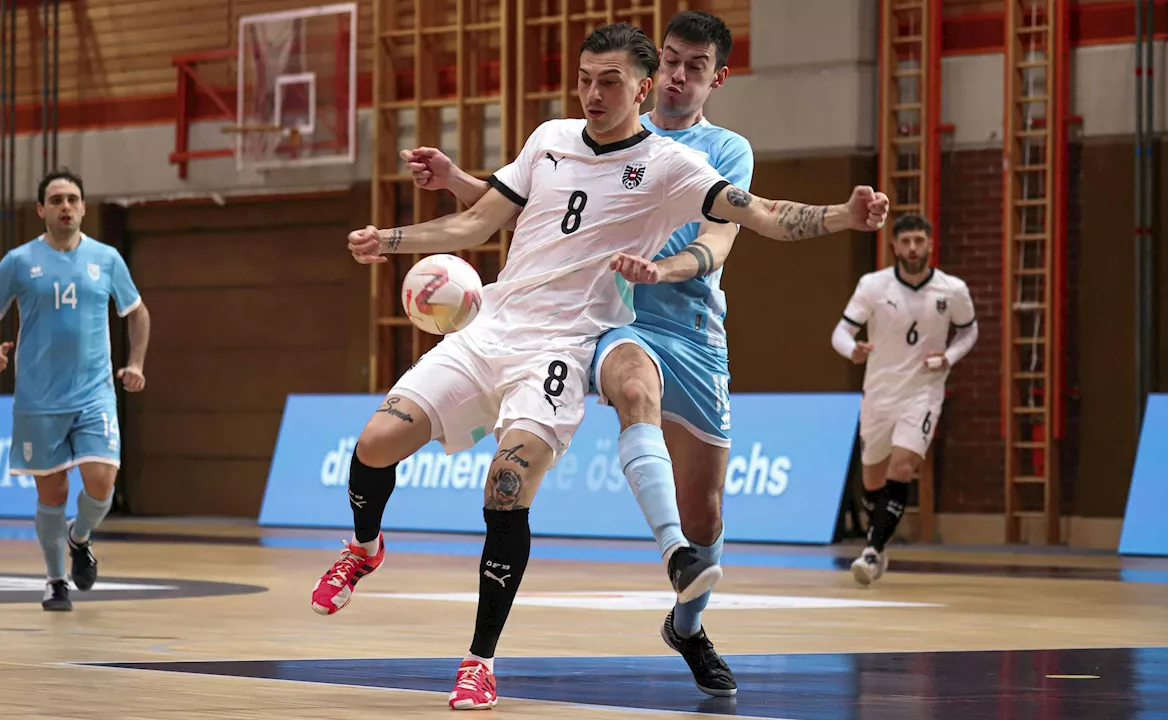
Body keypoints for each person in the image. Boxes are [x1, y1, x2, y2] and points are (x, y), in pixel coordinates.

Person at [313, 22, 887, 710]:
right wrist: (392, 239)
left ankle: (610, 629)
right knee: (378, 442)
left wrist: (840, 216)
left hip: (639, 331)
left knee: (550, 492)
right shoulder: (549, 138)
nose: (592, 92)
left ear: (649, 88)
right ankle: (366, 548)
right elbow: (489, 221)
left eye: (609, 81)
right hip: (538, 326)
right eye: (585, 79)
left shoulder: (685, 160)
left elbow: (751, 219)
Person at [398, 10, 766, 698]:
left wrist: (672, 267)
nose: (679, 78)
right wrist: (457, 181)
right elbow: (524, 209)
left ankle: (687, 625)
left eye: (696, 68)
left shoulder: (723, 152)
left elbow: (723, 239)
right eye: (674, 62)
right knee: (632, 391)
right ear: (652, 72)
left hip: (693, 331)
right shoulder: (595, 127)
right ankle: (672, 554)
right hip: (605, 324)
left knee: (708, 511)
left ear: (719, 77)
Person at [0, 168, 151, 611]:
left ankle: (79, 537)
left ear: (83, 207)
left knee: (102, 484)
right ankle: (55, 580)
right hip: (38, 399)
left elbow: (138, 313)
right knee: (53, 494)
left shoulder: (106, 259)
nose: (65, 206)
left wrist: (137, 362)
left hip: (94, 394)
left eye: (72, 198)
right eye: (56, 199)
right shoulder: (19, 260)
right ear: (41, 209)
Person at [831, 213, 977, 586]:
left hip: (923, 392)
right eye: (906, 241)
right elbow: (841, 332)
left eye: (919, 241)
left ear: (930, 244)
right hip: (879, 392)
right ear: (894, 246)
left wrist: (949, 358)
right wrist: (853, 351)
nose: (913, 248)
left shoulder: (952, 290)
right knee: (873, 479)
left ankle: (872, 550)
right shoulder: (873, 286)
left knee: (903, 466)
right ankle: (877, 539)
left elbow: (968, 330)